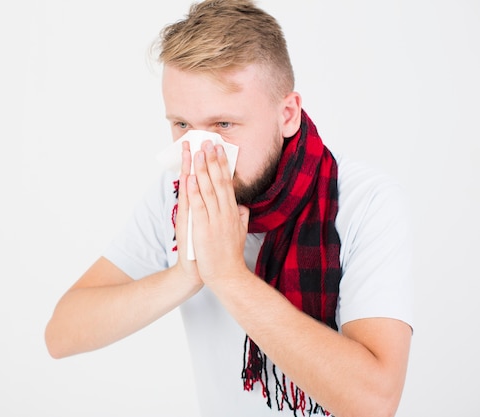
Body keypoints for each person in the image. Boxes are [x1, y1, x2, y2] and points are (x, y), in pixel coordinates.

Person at [44, 0, 414, 415]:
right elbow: (62, 334)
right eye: (182, 125)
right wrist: (187, 274)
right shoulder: (177, 193)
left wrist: (228, 276)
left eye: (223, 125)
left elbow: (375, 401)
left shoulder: (365, 201)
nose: (200, 154)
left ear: (287, 114)